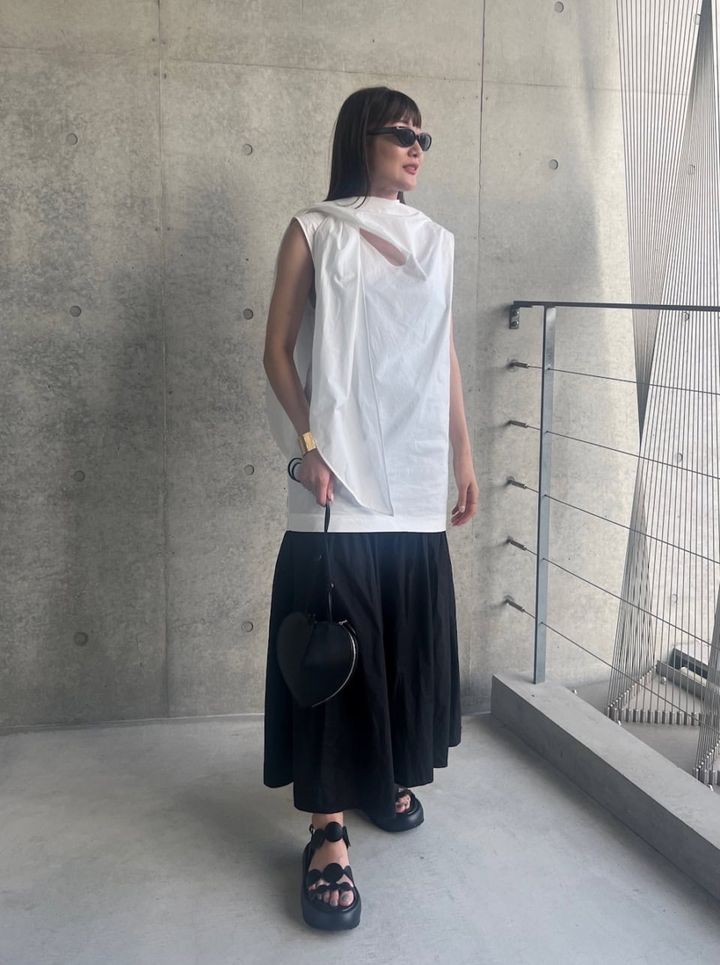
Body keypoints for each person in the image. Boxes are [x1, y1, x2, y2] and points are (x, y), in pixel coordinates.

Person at [262, 86, 478, 931]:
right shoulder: (314, 229)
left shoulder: (437, 242)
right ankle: (327, 829)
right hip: (339, 478)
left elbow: (441, 353)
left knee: (398, 639)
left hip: (415, 474)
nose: (416, 146)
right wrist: (310, 446)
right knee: (334, 648)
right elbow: (277, 350)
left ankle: (381, 773)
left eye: (424, 135)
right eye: (400, 132)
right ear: (363, 138)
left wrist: (463, 455)